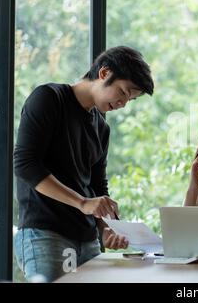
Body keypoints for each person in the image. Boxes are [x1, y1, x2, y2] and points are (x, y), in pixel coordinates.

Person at [13, 46, 154, 282]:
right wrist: (83, 202)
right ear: (104, 73)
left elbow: (98, 186)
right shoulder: (49, 98)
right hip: (45, 234)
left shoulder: (102, 128)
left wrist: (106, 228)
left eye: (130, 99)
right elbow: (25, 164)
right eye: (123, 92)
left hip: (88, 241)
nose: (123, 103)